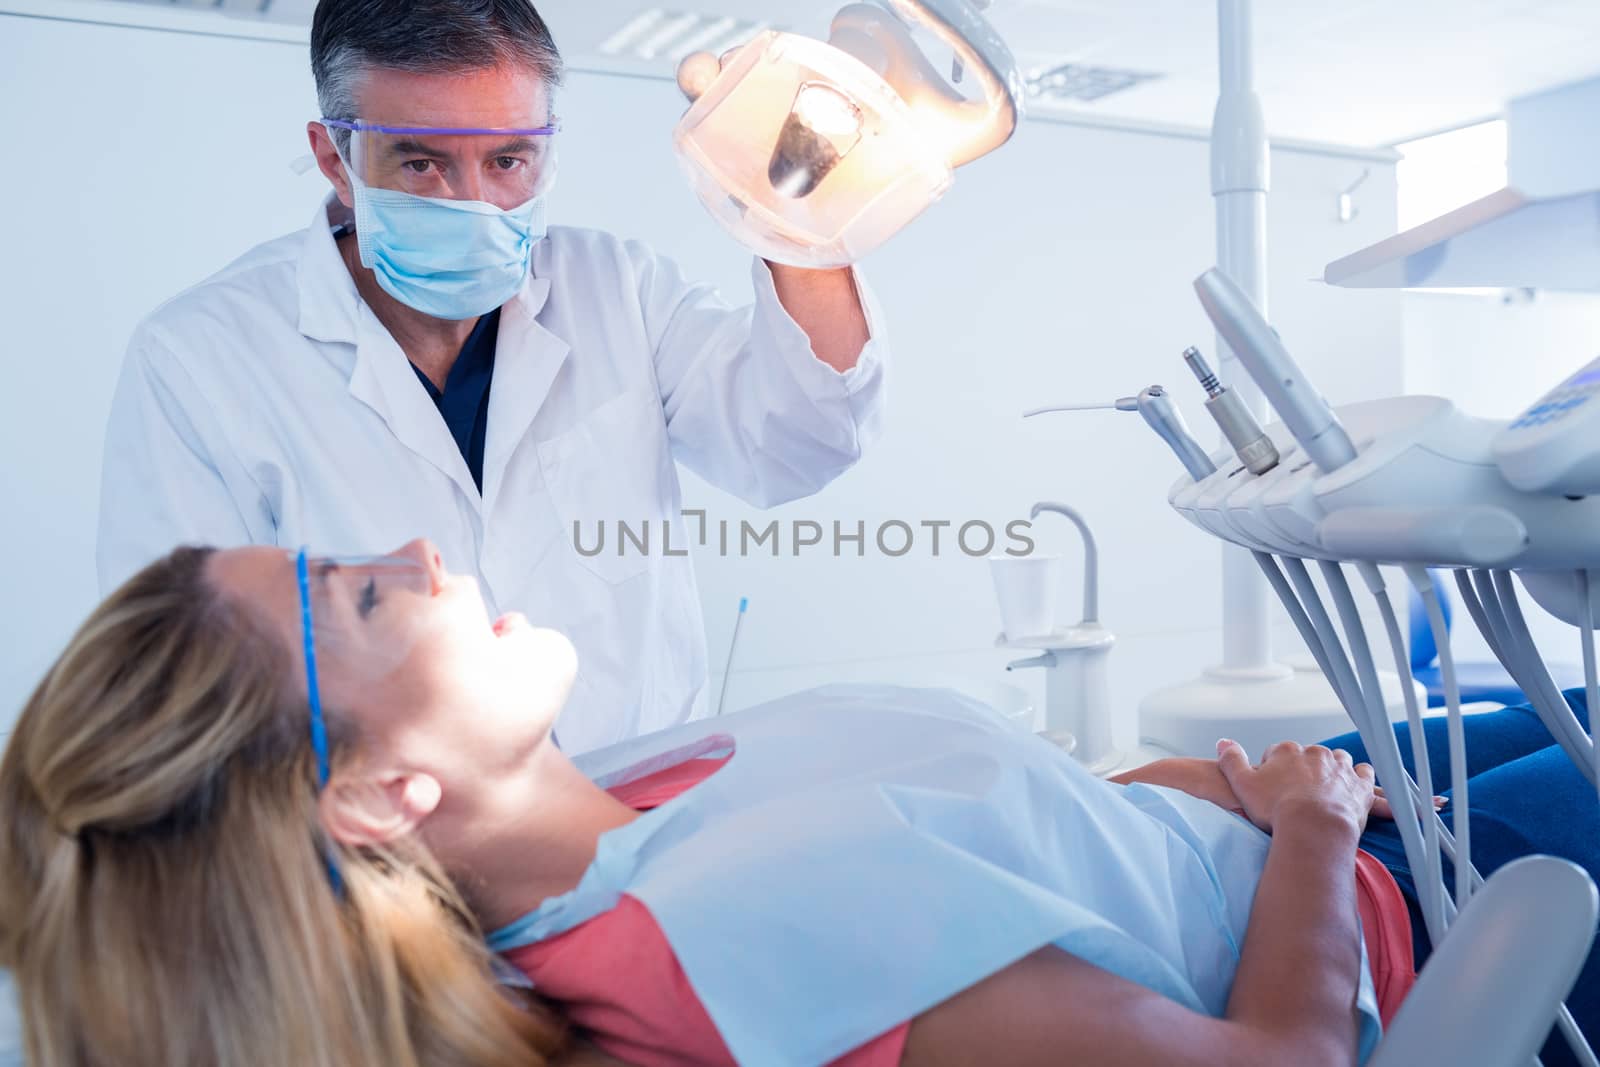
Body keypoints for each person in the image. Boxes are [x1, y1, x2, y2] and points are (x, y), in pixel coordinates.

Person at [3, 542, 1595, 1067]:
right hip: (1412, 917)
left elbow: (978, 850)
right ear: (374, 794)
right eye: (359, 596)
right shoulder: (739, 939)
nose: (420, 553)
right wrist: (1314, 821)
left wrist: (1172, 792)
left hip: (1329, 827)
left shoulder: (613, 796)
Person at [95, 0, 888, 755]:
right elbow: (178, 690)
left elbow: (803, 439)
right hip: (381, 867)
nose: (474, 203)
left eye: (509, 159)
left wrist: (801, 229)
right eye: (421, 162)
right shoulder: (202, 360)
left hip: (641, 828)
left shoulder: (618, 288)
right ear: (335, 157)